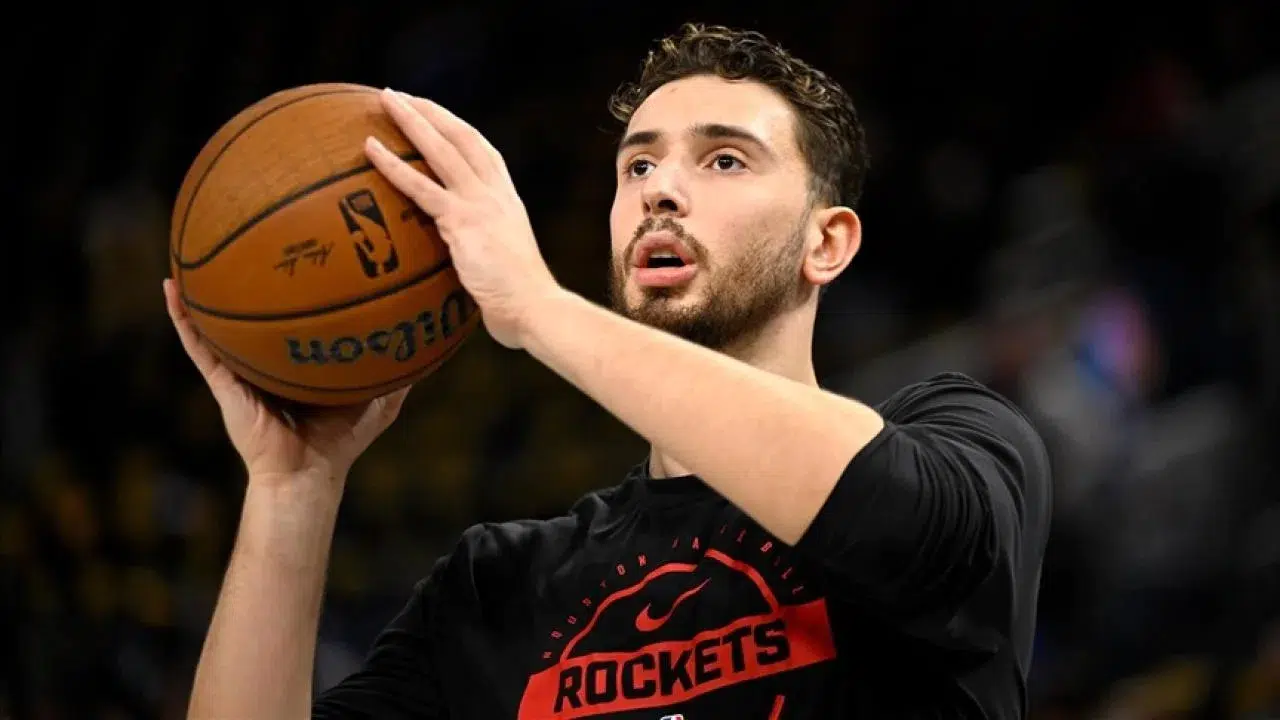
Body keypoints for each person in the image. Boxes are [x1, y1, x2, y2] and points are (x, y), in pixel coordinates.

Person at [171, 23, 1052, 720]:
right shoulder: (500, 587)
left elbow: (888, 516)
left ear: (826, 243)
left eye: (724, 159)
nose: (659, 190)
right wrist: (294, 489)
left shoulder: (967, 440)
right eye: (639, 164)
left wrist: (537, 308)